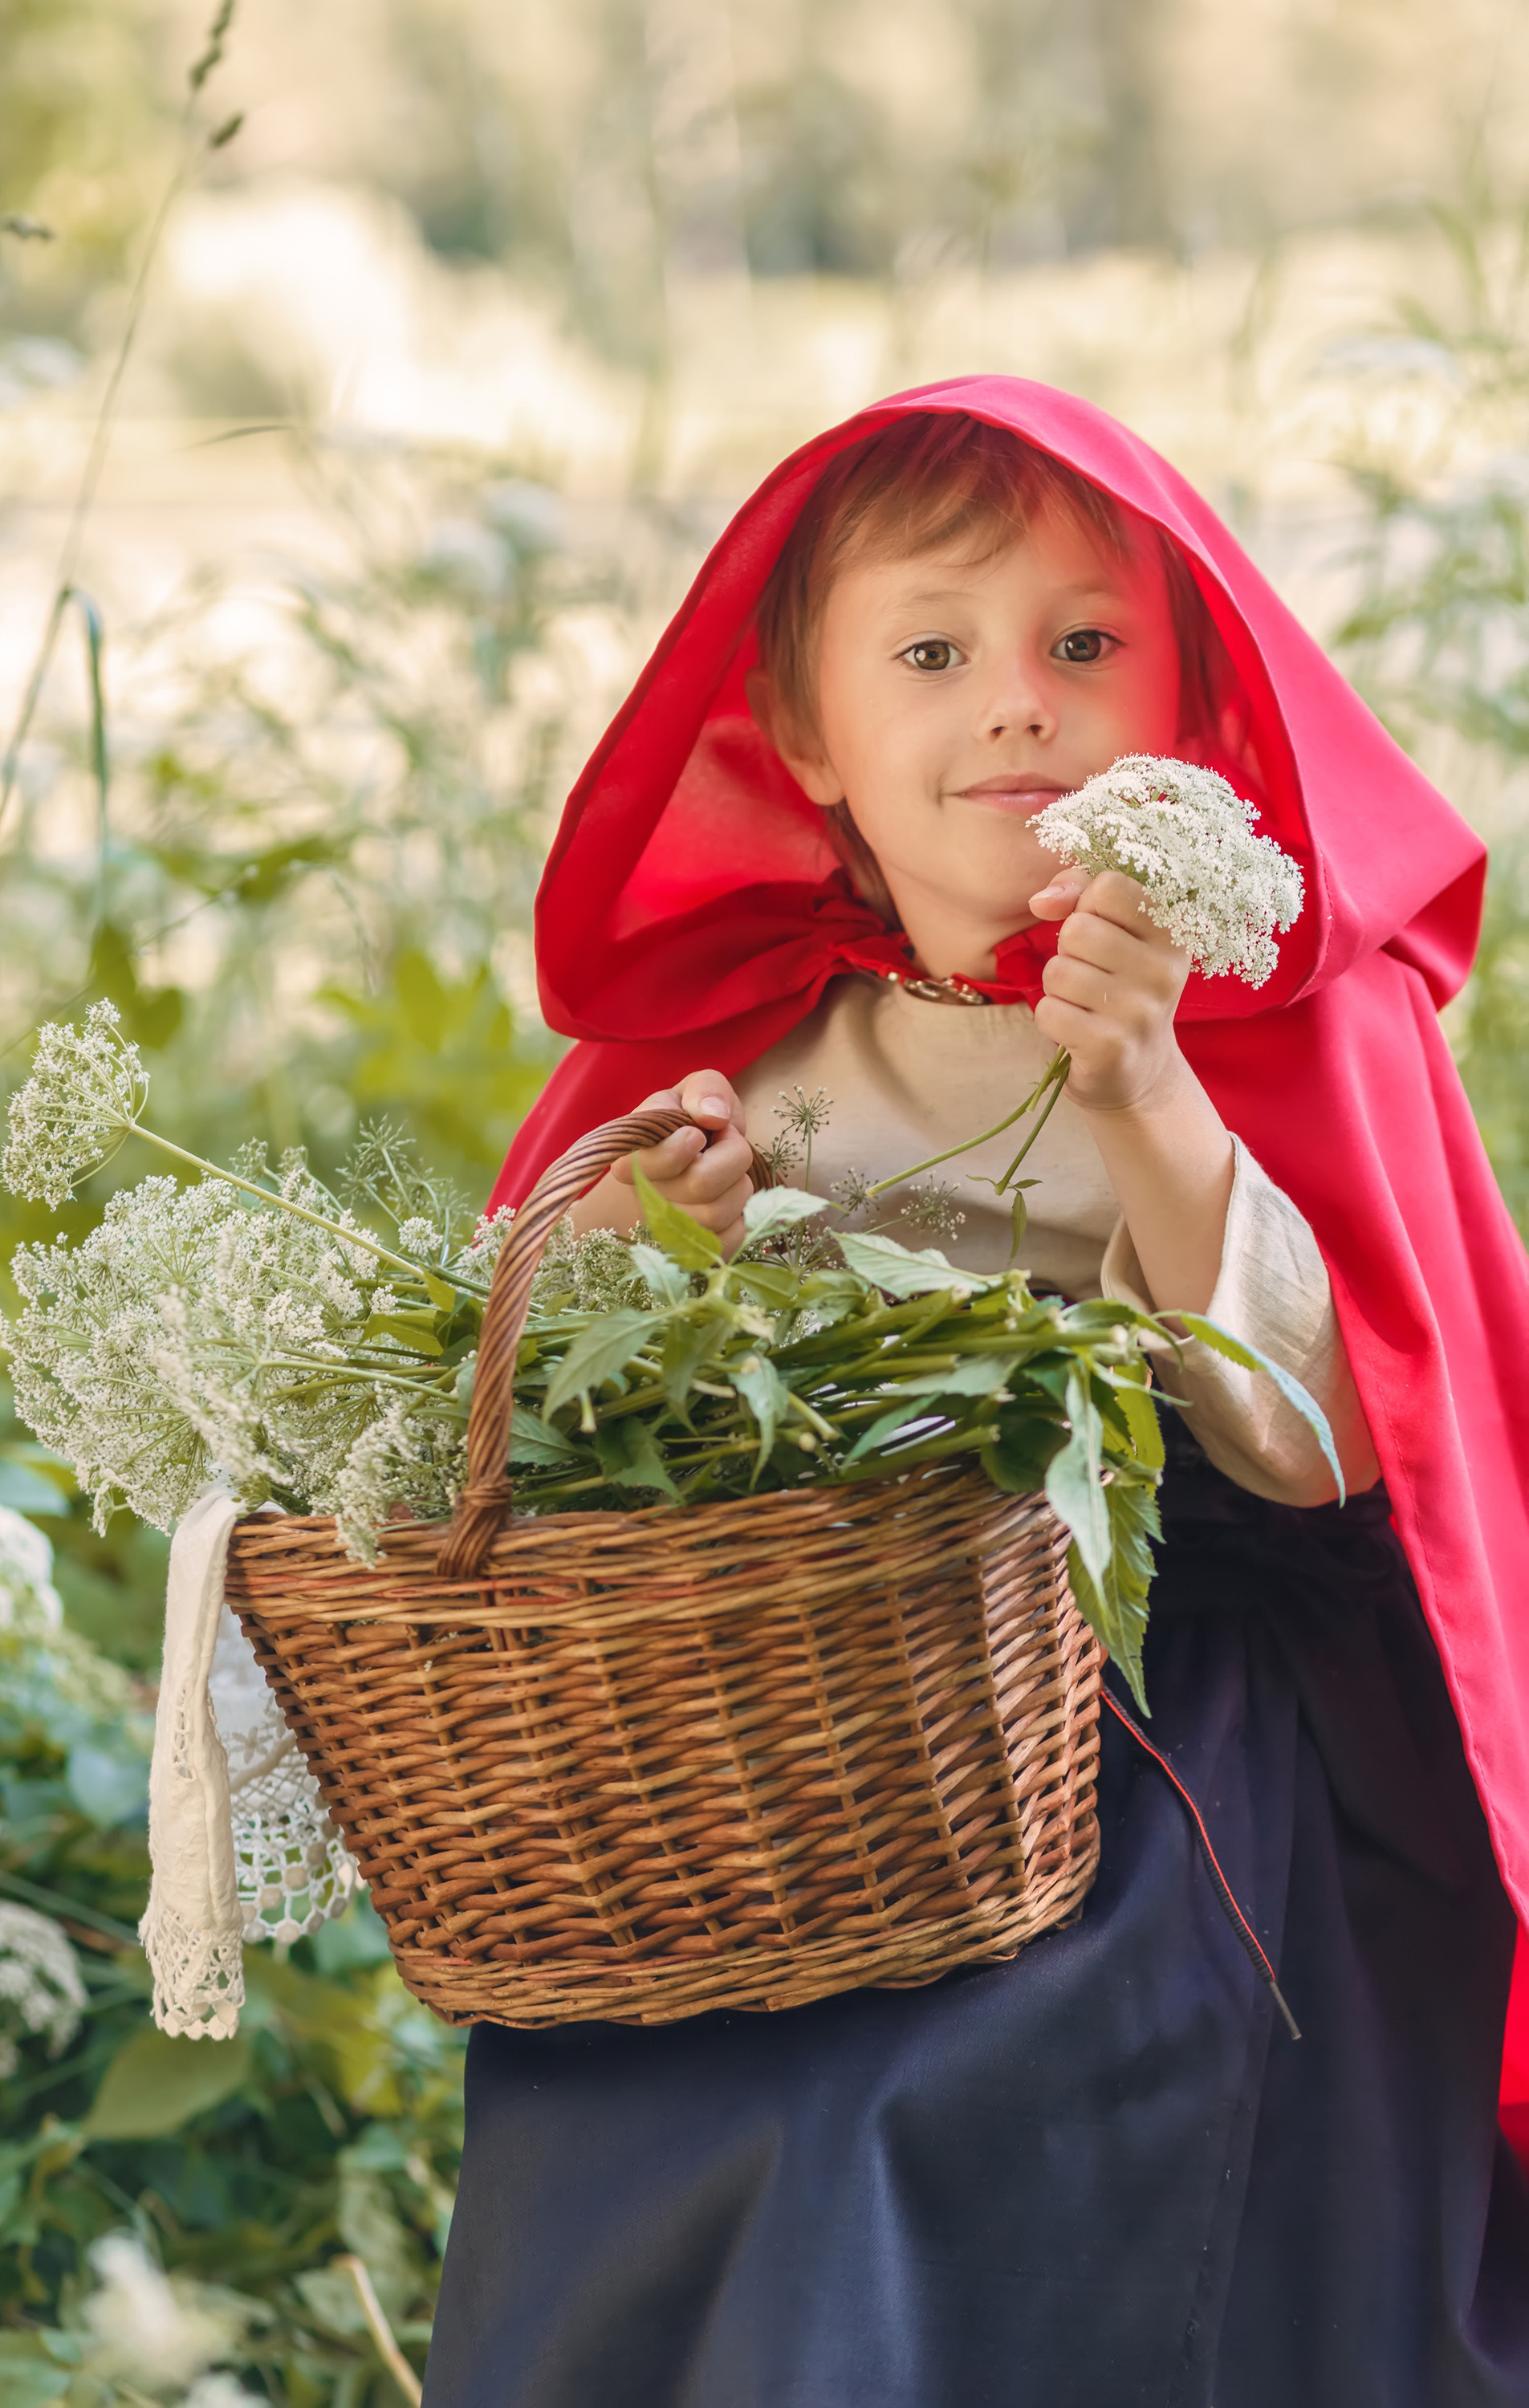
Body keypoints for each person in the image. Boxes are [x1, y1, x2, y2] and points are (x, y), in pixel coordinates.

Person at [422, 384, 1529, 2406]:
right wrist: (657, 1256)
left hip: (1165, 1720)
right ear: (808, 736)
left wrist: (1152, 1098)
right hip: (789, 1734)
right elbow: (544, 1422)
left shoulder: (1293, 1014)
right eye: (929, 653)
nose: (1016, 702)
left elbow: (1344, 1454)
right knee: (635, 2083)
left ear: (1186, 697)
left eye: (1082, 642)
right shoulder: (747, 1041)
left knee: (897, 2109)